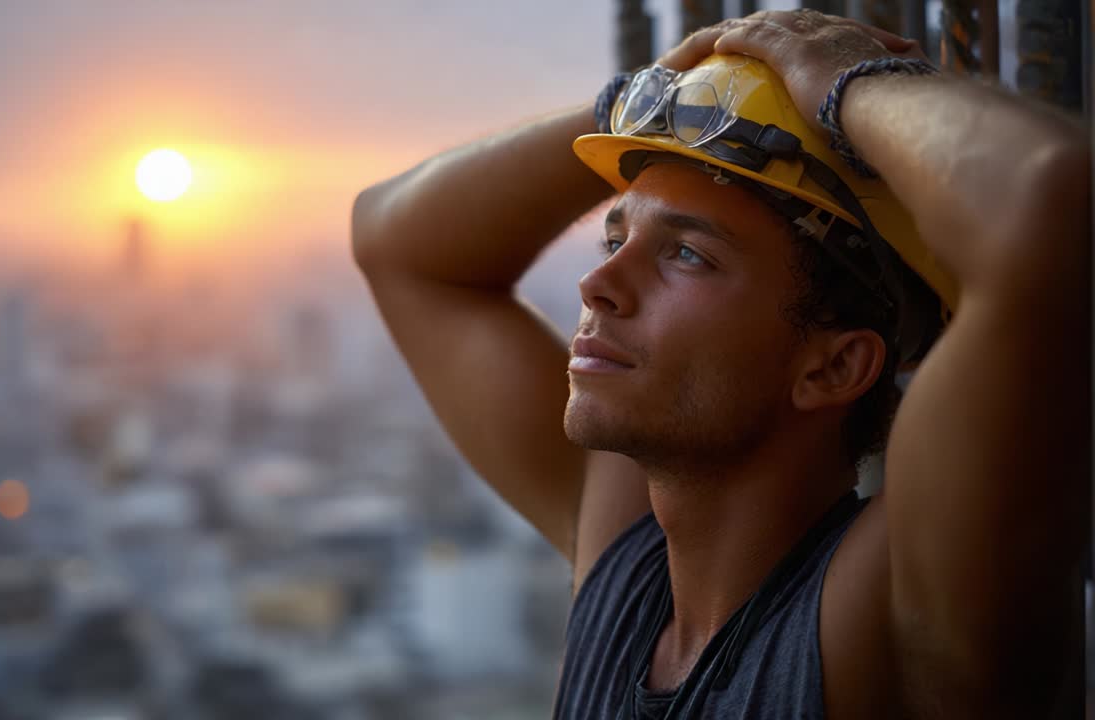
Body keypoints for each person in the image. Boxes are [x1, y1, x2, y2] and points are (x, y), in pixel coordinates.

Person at [352, 10, 1088, 719]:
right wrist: (638, 102)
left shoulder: (880, 614)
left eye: (687, 254)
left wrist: (849, 83)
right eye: (615, 240)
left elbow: (1049, 206)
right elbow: (396, 243)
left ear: (833, 368)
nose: (596, 286)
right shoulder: (627, 557)